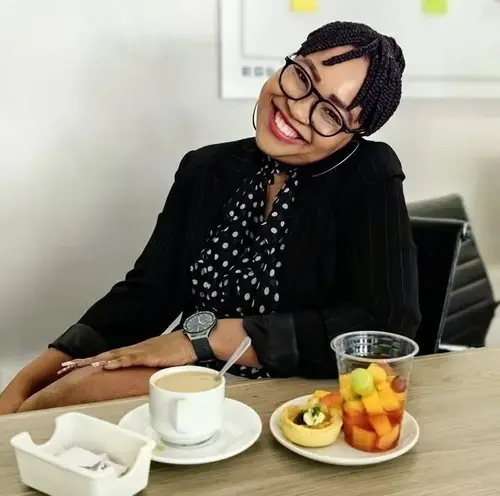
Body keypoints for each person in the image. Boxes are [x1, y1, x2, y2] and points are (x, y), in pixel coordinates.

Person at [0, 21, 421, 414]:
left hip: (297, 390)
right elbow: (148, 292)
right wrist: (35, 372)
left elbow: (387, 325)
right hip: (197, 372)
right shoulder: (207, 167)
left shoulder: (369, 173)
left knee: (62, 401)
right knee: (38, 400)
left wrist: (205, 339)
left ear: (353, 135)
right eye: (302, 78)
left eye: (329, 113)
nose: (297, 109)